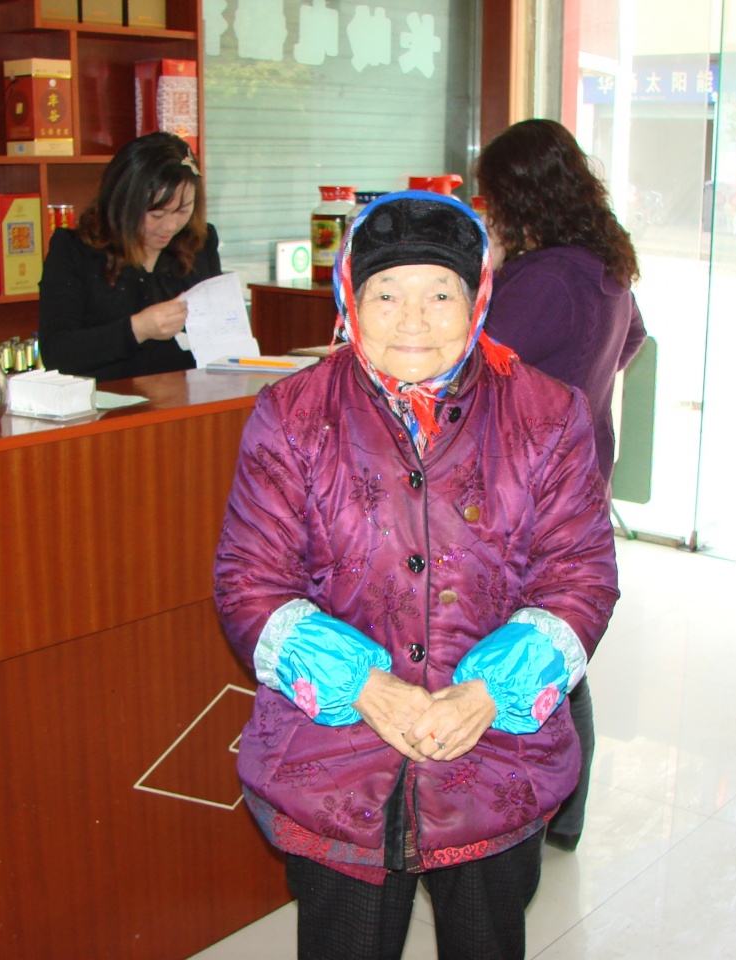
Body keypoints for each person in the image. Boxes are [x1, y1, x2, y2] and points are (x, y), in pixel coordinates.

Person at [215, 191, 619, 960]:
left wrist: (490, 691)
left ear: (477, 302)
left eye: (439, 294)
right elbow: (249, 581)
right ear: (351, 301)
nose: (413, 319)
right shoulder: (293, 414)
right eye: (386, 293)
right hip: (336, 765)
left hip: (495, 757)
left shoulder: (546, 414)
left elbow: (581, 576)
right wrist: (362, 685)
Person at [475, 117, 646, 853]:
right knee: (557, 639)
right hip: (580, 479)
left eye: (491, 199)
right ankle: (566, 812)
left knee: (538, 646)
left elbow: (471, 369)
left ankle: (553, 806)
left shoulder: (543, 277)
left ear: (519, 198)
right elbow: (632, 340)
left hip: (529, 489)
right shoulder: (604, 262)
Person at [38, 132, 221, 380]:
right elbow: (57, 354)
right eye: (156, 215)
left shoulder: (200, 242)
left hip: (188, 398)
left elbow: (219, 337)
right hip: (106, 400)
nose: (169, 226)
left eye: (182, 211)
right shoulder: (74, 251)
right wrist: (137, 329)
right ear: (123, 203)